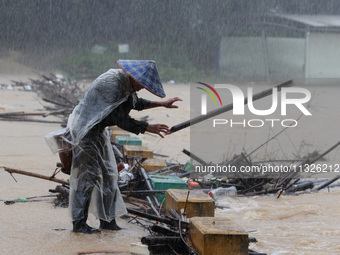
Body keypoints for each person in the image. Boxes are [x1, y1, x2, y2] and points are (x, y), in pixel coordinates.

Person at [56, 60, 181, 234]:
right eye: (142, 85)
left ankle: (107, 220)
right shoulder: (113, 83)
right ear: (134, 77)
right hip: (85, 129)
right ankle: (79, 224)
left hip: (98, 129)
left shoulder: (126, 85)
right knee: (88, 176)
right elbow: (119, 118)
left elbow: (135, 103)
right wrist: (148, 128)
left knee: (109, 174)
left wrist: (162, 104)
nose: (142, 88)